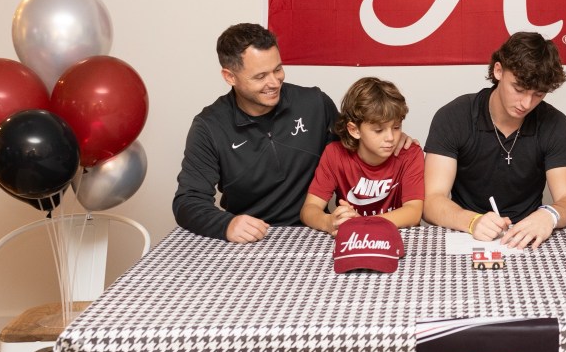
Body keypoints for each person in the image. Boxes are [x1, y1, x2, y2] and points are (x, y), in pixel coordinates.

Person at [173, 24, 417, 243]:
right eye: (260, 76)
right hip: (251, 237)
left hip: (312, 234)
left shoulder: (314, 103)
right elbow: (187, 201)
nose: (274, 82)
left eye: (277, 69)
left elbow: (356, 142)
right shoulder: (210, 126)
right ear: (230, 76)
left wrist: (395, 137)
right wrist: (226, 224)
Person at [423, 31, 566, 249]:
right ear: (498, 70)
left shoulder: (554, 123)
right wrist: (471, 221)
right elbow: (432, 201)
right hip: (466, 232)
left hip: (528, 237)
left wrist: (549, 215)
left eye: (538, 94)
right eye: (518, 89)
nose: (526, 103)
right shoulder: (454, 117)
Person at [301, 77, 424, 233]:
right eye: (379, 130)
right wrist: (328, 221)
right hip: (352, 241)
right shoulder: (334, 154)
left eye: (396, 127)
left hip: (397, 237)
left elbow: (413, 212)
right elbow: (309, 210)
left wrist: (363, 223)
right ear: (354, 130)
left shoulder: (410, 154)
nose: (391, 138)